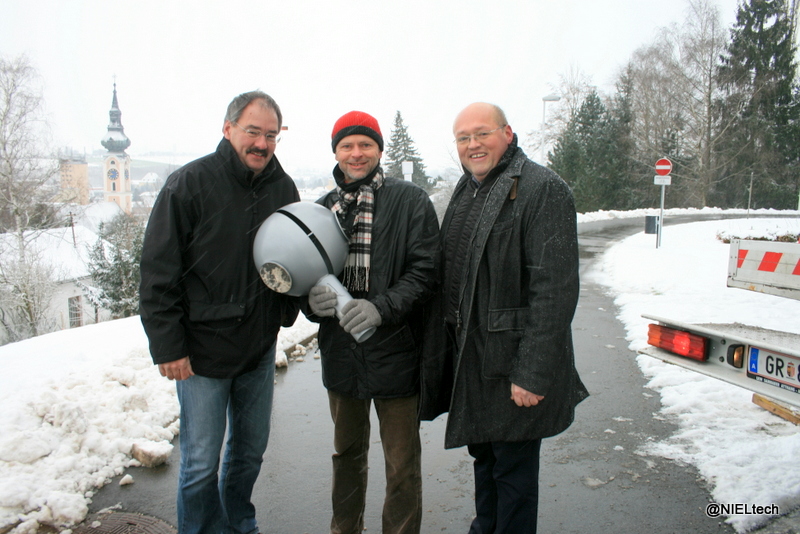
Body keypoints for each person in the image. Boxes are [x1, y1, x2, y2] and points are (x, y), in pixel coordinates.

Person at [139, 90, 300, 534]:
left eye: (271, 135)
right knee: (199, 464)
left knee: (249, 454)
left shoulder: (282, 188)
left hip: (258, 350)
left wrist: (292, 307)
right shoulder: (189, 184)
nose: (262, 144)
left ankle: (238, 524)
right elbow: (158, 272)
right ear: (228, 129)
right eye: (253, 132)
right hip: (202, 355)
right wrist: (168, 346)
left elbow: (292, 260)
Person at [426, 102, 589, 533]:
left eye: (482, 133)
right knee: (486, 461)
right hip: (475, 360)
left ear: (508, 133)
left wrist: (533, 372)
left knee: (513, 474)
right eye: (463, 138)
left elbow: (553, 291)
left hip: (513, 364)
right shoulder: (468, 189)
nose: (473, 144)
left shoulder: (542, 188)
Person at [305, 111, 439, 534]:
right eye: (347, 145)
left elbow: (426, 272)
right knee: (346, 456)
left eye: (365, 144)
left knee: (401, 464)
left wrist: (382, 307)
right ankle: (345, 529)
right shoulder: (322, 210)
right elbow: (308, 275)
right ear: (336, 152)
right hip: (341, 354)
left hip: (396, 349)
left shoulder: (409, 200)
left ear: (379, 150)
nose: (356, 153)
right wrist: (313, 303)